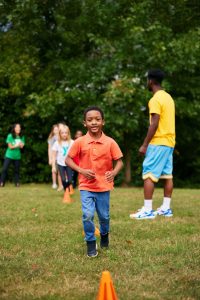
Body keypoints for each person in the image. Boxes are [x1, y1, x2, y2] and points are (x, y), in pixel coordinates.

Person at [66, 106, 123, 257]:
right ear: (84, 123)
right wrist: (82, 170)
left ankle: (104, 235)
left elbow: (119, 162)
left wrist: (114, 172)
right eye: (90, 120)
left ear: (103, 122)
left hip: (104, 187)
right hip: (86, 186)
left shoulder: (110, 142)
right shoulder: (80, 142)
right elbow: (68, 159)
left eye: (97, 119)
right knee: (87, 214)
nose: (94, 122)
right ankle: (90, 243)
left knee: (104, 217)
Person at [130, 69, 175, 220]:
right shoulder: (168, 97)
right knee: (167, 175)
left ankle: (148, 210)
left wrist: (144, 145)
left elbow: (154, 124)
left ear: (150, 81)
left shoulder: (155, 99)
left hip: (158, 142)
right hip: (169, 142)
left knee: (148, 173)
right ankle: (165, 208)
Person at [52, 125, 74, 202]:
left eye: (66, 133)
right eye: (62, 133)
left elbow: (75, 153)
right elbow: (54, 155)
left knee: (70, 180)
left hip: (69, 164)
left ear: (68, 133)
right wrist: (53, 166)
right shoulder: (57, 143)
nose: (64, 134)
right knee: (63, 179)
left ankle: (68, 187)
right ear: (60, 134)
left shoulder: (72, 142)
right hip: (60, 164)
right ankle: (66, 190)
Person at [48, 124, 63, 191]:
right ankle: (54, 183)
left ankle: (61, 184)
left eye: (57, 129)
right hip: (54, 157)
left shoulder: (61, 137)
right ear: (53, 131)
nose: (56, 131)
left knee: (60, 172)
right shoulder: (51, 138)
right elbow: (49, 149)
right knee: (54, 170)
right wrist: (50, 158)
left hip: (60, 157)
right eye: (55, 130)